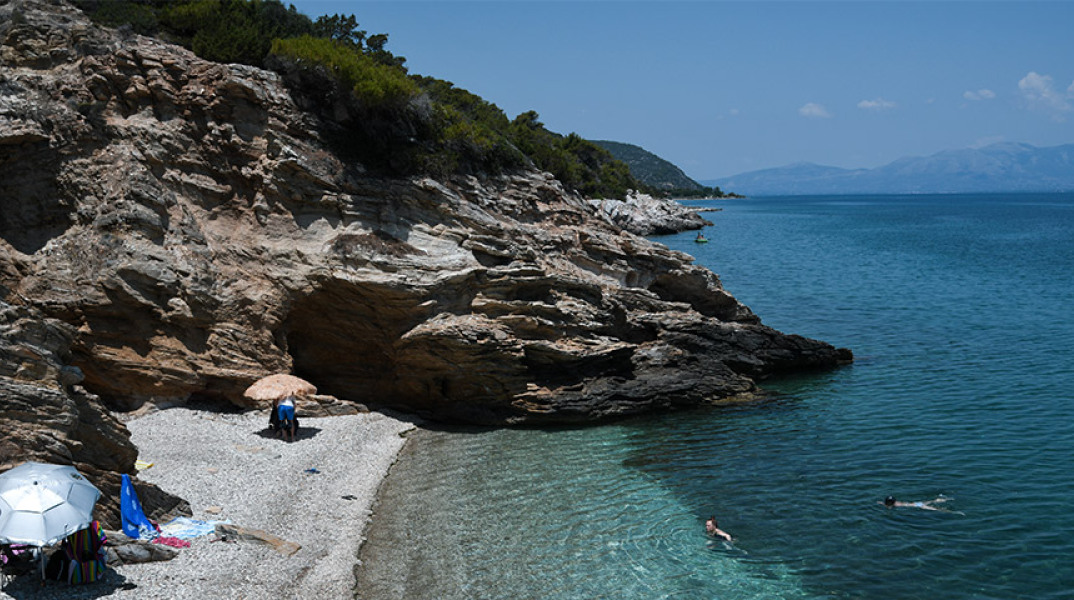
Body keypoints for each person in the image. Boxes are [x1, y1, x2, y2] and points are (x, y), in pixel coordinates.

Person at [882, 495, 952, 511]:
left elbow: (889, 507)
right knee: (931, 501)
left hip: (918, 506)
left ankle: (947, 510)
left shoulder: (894, 505)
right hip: (916, 503)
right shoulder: (896, 503)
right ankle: (939, 500)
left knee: (936, 509)